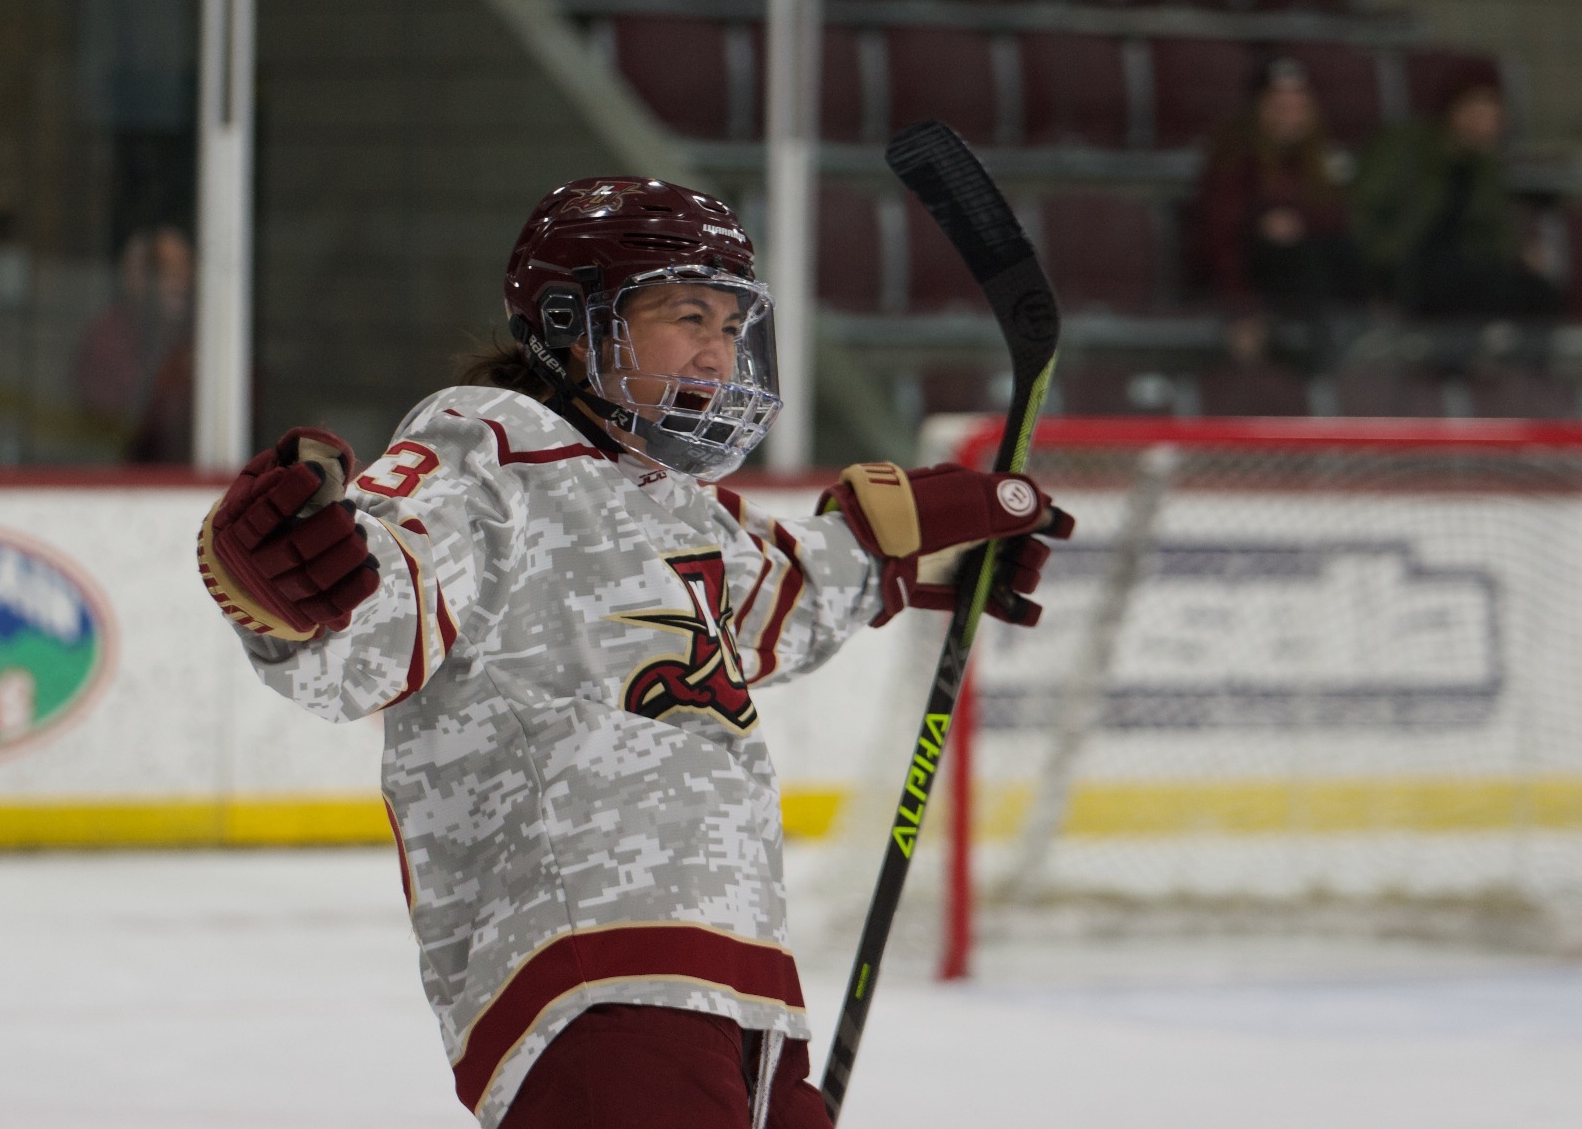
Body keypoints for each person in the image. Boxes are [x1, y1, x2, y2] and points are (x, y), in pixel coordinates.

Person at [195, 178, 1074, 1128]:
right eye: (688, 313)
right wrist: (291, 584)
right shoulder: (486, 449)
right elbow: (369, 626)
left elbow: (775, 597)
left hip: (739, 992)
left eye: (734, 324)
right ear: (575, 322)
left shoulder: (664, 499)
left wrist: (898, 544)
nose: (719, 350)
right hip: (595, 978)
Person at [1188, 57, 1363, 365]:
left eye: (1298, 105)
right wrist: (1243, 309)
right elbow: (1218, 241)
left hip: (1311, 282)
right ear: (1258, 107)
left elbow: (1338, 218)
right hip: (1254, 279)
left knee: (1342, 250)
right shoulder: (1232, 161)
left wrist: (1301, 223)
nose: (1289, 115)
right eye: (1279, 104)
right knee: (1296, 254)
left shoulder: (1319, 162)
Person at [1350, 75, 1559, 320]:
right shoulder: (1405, 146)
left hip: (1462, 263)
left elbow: (1494, 229)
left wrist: (1520, 252)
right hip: (1403, 258)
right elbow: (1362, 208)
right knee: (1461, 284)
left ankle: (1510, 357)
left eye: (1494, 117)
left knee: (1540, 293)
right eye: (1478, 113)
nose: (1488, 125)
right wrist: (1375, 255)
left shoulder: (1486, 168)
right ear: (1457, 112)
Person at [74, 223, 195, 463]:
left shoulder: (212, 335)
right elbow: (111, 414)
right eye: (164, 271)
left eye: (184, 268)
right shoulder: (109, 335)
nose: (176, 281)